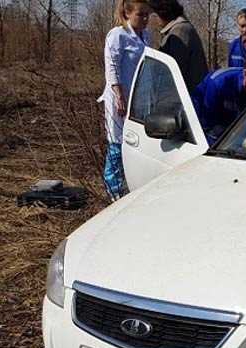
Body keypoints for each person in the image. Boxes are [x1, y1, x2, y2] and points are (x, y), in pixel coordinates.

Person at [97, 0, 151, 201]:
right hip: (119, 98)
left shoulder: (146, 36)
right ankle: (113, 190)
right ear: (128, 13)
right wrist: (119, 95)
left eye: (147, 15)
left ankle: (128, 186)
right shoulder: (117, 35)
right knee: (116, 144)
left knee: (134, 142)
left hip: (138, 98)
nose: (145, 19)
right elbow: (112, 67)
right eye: (141, 14)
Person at [192, 50, 246, 145]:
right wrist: (240, 142)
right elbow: (208, 128)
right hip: (202, 134)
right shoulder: (218, 83)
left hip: (232, 134)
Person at [148, 0, 208, 92]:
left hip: (189, 96)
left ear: (163, 14)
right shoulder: (179, 29)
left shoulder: (180, 31)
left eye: (154, 15)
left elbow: (175, 70)